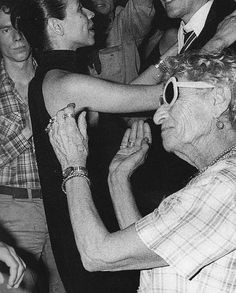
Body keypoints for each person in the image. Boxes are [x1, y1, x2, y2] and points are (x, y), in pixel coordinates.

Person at [48, 50, 236, 293]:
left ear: (218, 98)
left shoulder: (224, 186)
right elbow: (146, 254)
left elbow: (97, 255)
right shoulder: (219, 180)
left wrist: (72, 165)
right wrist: (118, 177)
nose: (158, 116)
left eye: (171, 95)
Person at [10, 0, 165, 292]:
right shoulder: (63, 83)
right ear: (56, 26)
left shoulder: (54, 76)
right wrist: (212, 43)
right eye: (80, 9)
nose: (92, 13)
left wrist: (173, 53)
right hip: (87, 224)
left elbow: (126, 94)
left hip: (84, 218)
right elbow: (153, 96)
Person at [0, 1, 65, 292]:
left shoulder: (56, 77)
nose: (16, 36)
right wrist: (33, 125)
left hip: (61, 205)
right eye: (4, 30)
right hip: (12, 213)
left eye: (20, 27)